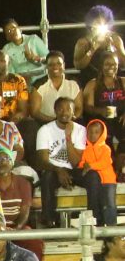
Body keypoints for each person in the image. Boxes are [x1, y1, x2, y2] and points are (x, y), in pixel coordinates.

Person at [36, 97, 87, 228]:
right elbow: (42, 160)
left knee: (92, 176)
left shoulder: (81, 130)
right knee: (47, 177)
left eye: (68, 109)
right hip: (53, 169)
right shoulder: (45, 130)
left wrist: (68, 136)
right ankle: (49, 220)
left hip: (74, 170)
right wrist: (59, 170)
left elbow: (75, 162)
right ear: (55, 111)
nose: (64, 112)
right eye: (60, 109)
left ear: (74, 111)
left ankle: (94, 218)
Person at [0, 148, 43, 261]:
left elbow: (25, 211)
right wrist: (0, 228)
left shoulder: (23, 183)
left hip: (16, 227)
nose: (3, 162)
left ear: (12, 163)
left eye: (7, 158)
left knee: (35, 241)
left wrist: (16, 229)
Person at [78, 120, 118, 226]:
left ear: (102, 134)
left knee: (109, 205)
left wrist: (90, 166)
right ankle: (97, 224)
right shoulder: (85, 150)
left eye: (96, 132)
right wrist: (84, 166)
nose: (93, 135)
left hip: (108, 181)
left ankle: (111, 229)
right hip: (95, 183)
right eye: (90, 132)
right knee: (96, 203)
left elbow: (105, 162)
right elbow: (81, 163)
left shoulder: (106, 148)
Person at [81, 51, 125, 148]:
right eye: (107, 64)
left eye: (114, 64)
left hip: (120, 119)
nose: (111, 67)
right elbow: (87, 107)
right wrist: (101, 110)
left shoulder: (123, 81)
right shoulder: (93, 84)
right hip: (102, 121)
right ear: (101, 66)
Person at [73, 5, 125, 85]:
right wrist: (93, 49)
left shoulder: (115, 39)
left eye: (103, 24)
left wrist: (113, 48)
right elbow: (78, 65)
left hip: (112, 78)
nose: (100, 26)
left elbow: (123, 63)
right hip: (91, 78)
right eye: (97, 24)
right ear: (91, 27)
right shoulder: (83, 42)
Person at [30, 51, 82, 125]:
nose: (55, 66)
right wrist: (55, 122)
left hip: (70, 123)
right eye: (51, 64)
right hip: (46, 124)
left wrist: (69, 121)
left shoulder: (74, 83)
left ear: (63, 65)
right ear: (47, 67)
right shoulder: (39, 85)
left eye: (59, 63)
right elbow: (35, 112)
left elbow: (79, 108)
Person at [1, 18, 49, 88]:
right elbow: (10, 72)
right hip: (21, 81)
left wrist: (36, 59)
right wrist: (20, 79)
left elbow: (49, 59)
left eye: (13, 28)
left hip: (40, 77)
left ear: (20, 29)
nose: (12, 32)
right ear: (7, 37)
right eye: (8, 31)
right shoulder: (6, 49)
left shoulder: (33, 39)